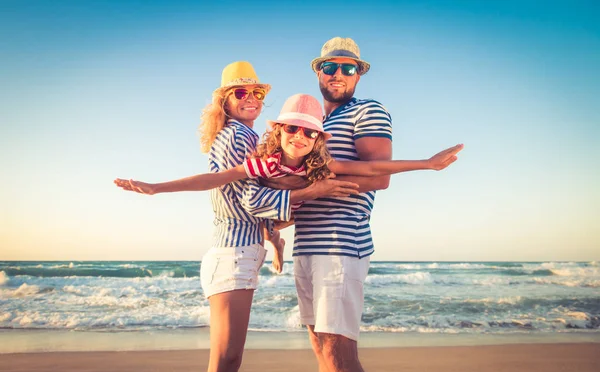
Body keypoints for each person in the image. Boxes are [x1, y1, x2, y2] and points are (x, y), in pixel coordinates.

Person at [114, 61, 360, 372]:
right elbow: (251, 199)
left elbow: (249, 203)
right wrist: (310, 191)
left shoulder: (237, 134)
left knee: (227, 363)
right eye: (241, 92)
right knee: (225, 364)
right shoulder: (239, 134)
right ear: (224, 101)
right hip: (233, 254)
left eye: (257, 93)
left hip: (238, 252)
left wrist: (275, 242)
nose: (252, 99)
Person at [116, 93, 462, 274]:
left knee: (296, 212)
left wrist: (428, 164)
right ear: (279, 130)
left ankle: (277, 243)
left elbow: (371, 168)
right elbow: (215, 178)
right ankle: (276, 243)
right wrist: (157, 187)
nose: (300, 136)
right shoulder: (265, 162)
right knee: (268, 222)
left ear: (317, 138)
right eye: (292, 128)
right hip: (269, 206)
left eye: (309, 131)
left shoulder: (321, 164)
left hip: (294, 206)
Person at [291, 37, 462, 372]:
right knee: (321, 348)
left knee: (339, 353)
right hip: (306, 242)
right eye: (330, 67)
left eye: (348, 68)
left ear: (359, 74)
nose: (338, 74)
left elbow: (378, 177)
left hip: (341, 243)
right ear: (318, 72)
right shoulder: (314, 121)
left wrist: (427, 164)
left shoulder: (368, 110)